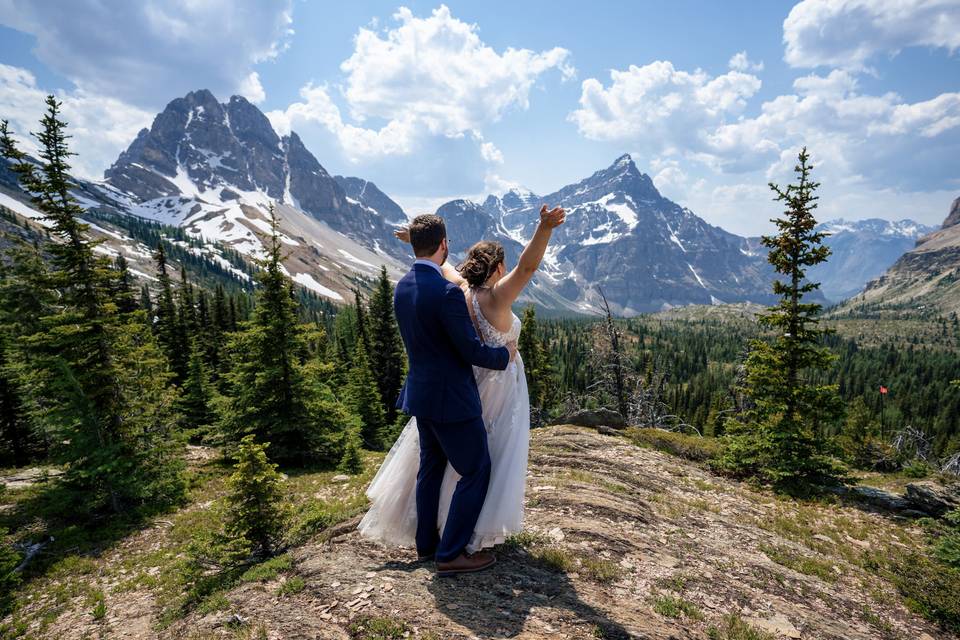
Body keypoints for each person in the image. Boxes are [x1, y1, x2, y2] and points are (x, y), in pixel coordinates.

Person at [359, 205, 566, 576]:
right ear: (499, 269)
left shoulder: (428, 286)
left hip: (423, 393)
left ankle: (427, 544)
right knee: (477, 468)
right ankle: (451, 553)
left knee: (432, 467)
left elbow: (441, 268)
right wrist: (545, 229)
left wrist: (417, 243)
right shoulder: (489, 296)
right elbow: (529, 268)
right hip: (463, 392)